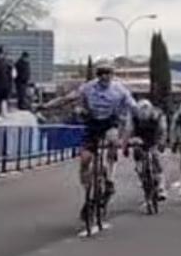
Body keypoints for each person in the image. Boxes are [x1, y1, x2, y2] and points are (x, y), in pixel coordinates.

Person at [49, 61, 135, 235]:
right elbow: (68, 98)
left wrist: (143, 116)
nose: (104, 76)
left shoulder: (119, 90)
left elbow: (133, 106)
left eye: (108, 73)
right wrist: (48, 105)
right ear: (97, 75)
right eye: (101, 73)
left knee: (112, 140)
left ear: (112, 75)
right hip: (93, 125)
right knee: (85, 160)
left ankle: (109, 177)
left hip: (110, 123)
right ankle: (88, 189)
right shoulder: (88, 87)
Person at [129, 96, 168, 201]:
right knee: (137, 154)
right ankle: (142, 175)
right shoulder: (133, 116)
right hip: (139, 138)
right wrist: (127, 143)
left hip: (153, 137)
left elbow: (163, 130)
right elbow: (129, 130)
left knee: (156, 159)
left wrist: (162, 143)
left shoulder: (158, 115)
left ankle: (161, 187)